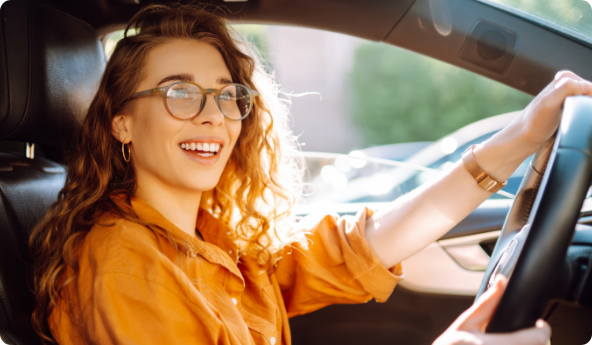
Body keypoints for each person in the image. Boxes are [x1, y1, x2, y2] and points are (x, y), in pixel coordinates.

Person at [28, 3, 586, 345]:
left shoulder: (218, 238)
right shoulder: (124, 263)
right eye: (180, 93)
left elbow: (362, 246)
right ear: (122, 122)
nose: (212, 116)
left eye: (228, 97)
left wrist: (522, 134)